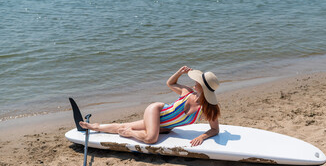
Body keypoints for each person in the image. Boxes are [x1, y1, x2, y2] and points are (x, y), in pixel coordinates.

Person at [79, 66, 220, 146]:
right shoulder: (187, 92)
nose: (194, 82)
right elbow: (170, 83)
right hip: (157, 111)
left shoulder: (207, 109)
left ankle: (96, 127)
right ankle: (129, 133)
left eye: (198, 82)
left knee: (126, 125)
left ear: (202, 87)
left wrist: (202, 137)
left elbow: (215, 129)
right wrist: (179, 72)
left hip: (165, 127)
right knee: (151, 139)